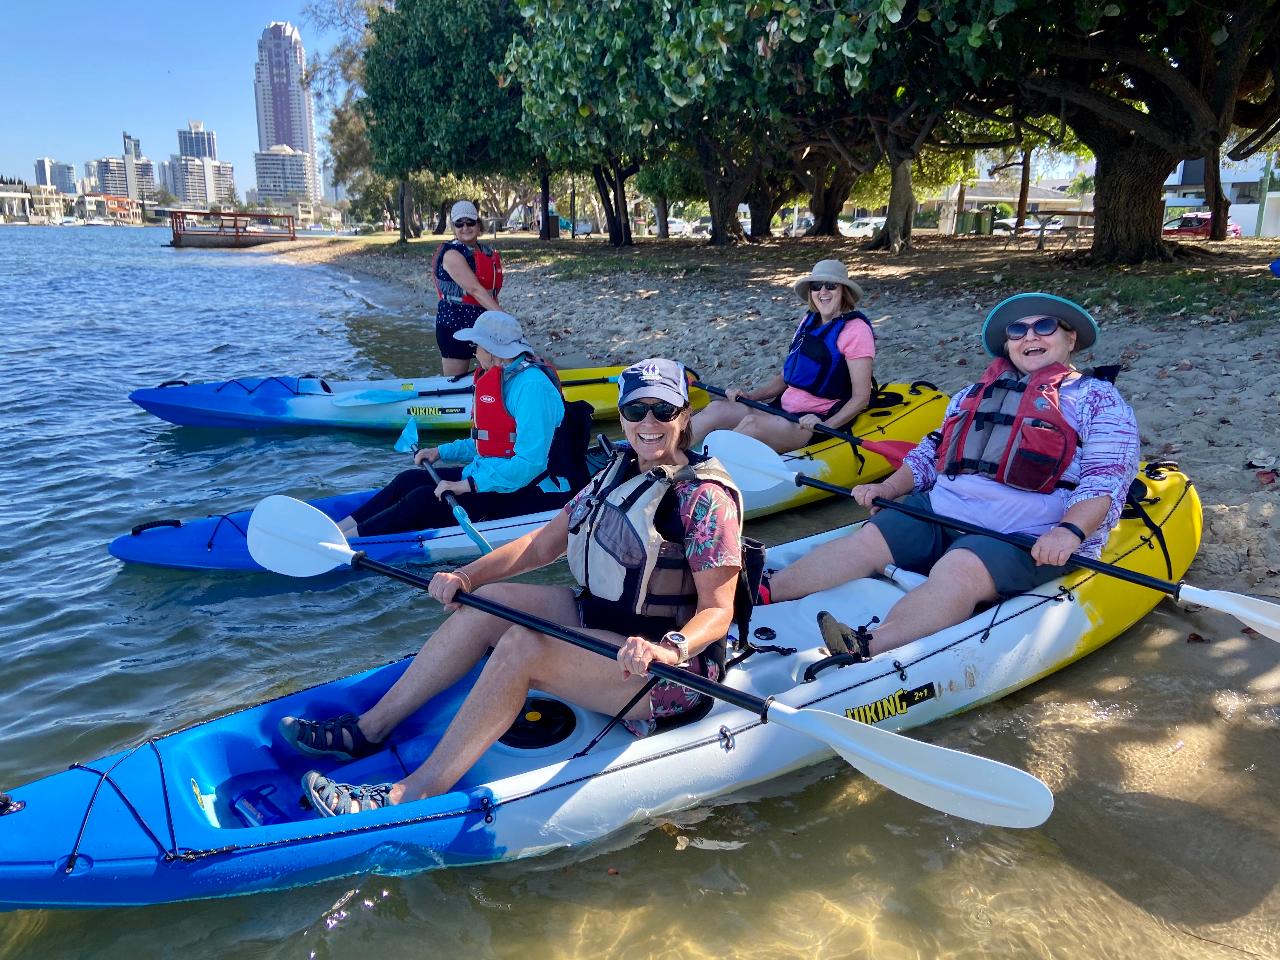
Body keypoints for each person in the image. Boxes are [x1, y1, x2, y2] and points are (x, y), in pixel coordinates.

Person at [282, 358, 746, 815]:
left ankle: (415, 791)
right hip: (601, 620)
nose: (648, 423)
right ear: (622, 414)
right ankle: (368, 730)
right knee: (487, 603)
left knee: (523, 646)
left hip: (669, 670)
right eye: (635, 410)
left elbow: (718, 610)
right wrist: (468, 576)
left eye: (663, 411)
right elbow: (541, 546)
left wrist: (671, 648)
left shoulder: (704, 499)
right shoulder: (618, 469)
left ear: (683, 417)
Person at [761, 292, 1140, 658]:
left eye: (1044, 326)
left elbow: (1106, 478)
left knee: (959, 569)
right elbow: (931, 452)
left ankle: (868, 645)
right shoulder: (971, 394)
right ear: (1007, 345)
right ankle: (765, 592)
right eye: (1017, 331)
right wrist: (889, 487)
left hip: (1021, 536)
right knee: (869, 540)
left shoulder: (1097, 399)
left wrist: (1068, 531)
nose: (1030, 337)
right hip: (940, 511)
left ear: (1070, 337)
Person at [336, 311, 581, 538]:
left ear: (494, 351)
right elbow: (491, 442)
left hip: (527, 488)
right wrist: (440, 452)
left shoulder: (532, 388)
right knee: (407, 480)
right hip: (489, 474)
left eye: (477, 347)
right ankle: (338, 531)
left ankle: (346, 545)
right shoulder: (505, 377)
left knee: (420, 500)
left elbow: (531, 464)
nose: (474, 353)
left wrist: (466, 485)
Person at [689, 259, 875, 452]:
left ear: (843, 290)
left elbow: (861, 397)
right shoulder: (809, 321)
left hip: (808, 423)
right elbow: (787, 377)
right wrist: (751, 396)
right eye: (817, 286)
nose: (823, 292)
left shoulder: (856, 330)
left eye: (831, 286)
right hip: (780, 409)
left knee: (752, 424)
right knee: (718, 408)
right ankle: (665, 458)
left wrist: (828, 425)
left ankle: (703, 472)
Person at [433, 200, 503, 377]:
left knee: (498, 371)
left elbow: (490, 294)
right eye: (459, 223)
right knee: (454, 381)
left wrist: (498, 323)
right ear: (454, 227)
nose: (465, 227)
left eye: (470, 222)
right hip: (454, 326)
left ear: (478, 224)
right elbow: (475, 290)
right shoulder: (451, 254)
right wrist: (506, 319)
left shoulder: (486, 253)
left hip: (483, 325)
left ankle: (493, 400)